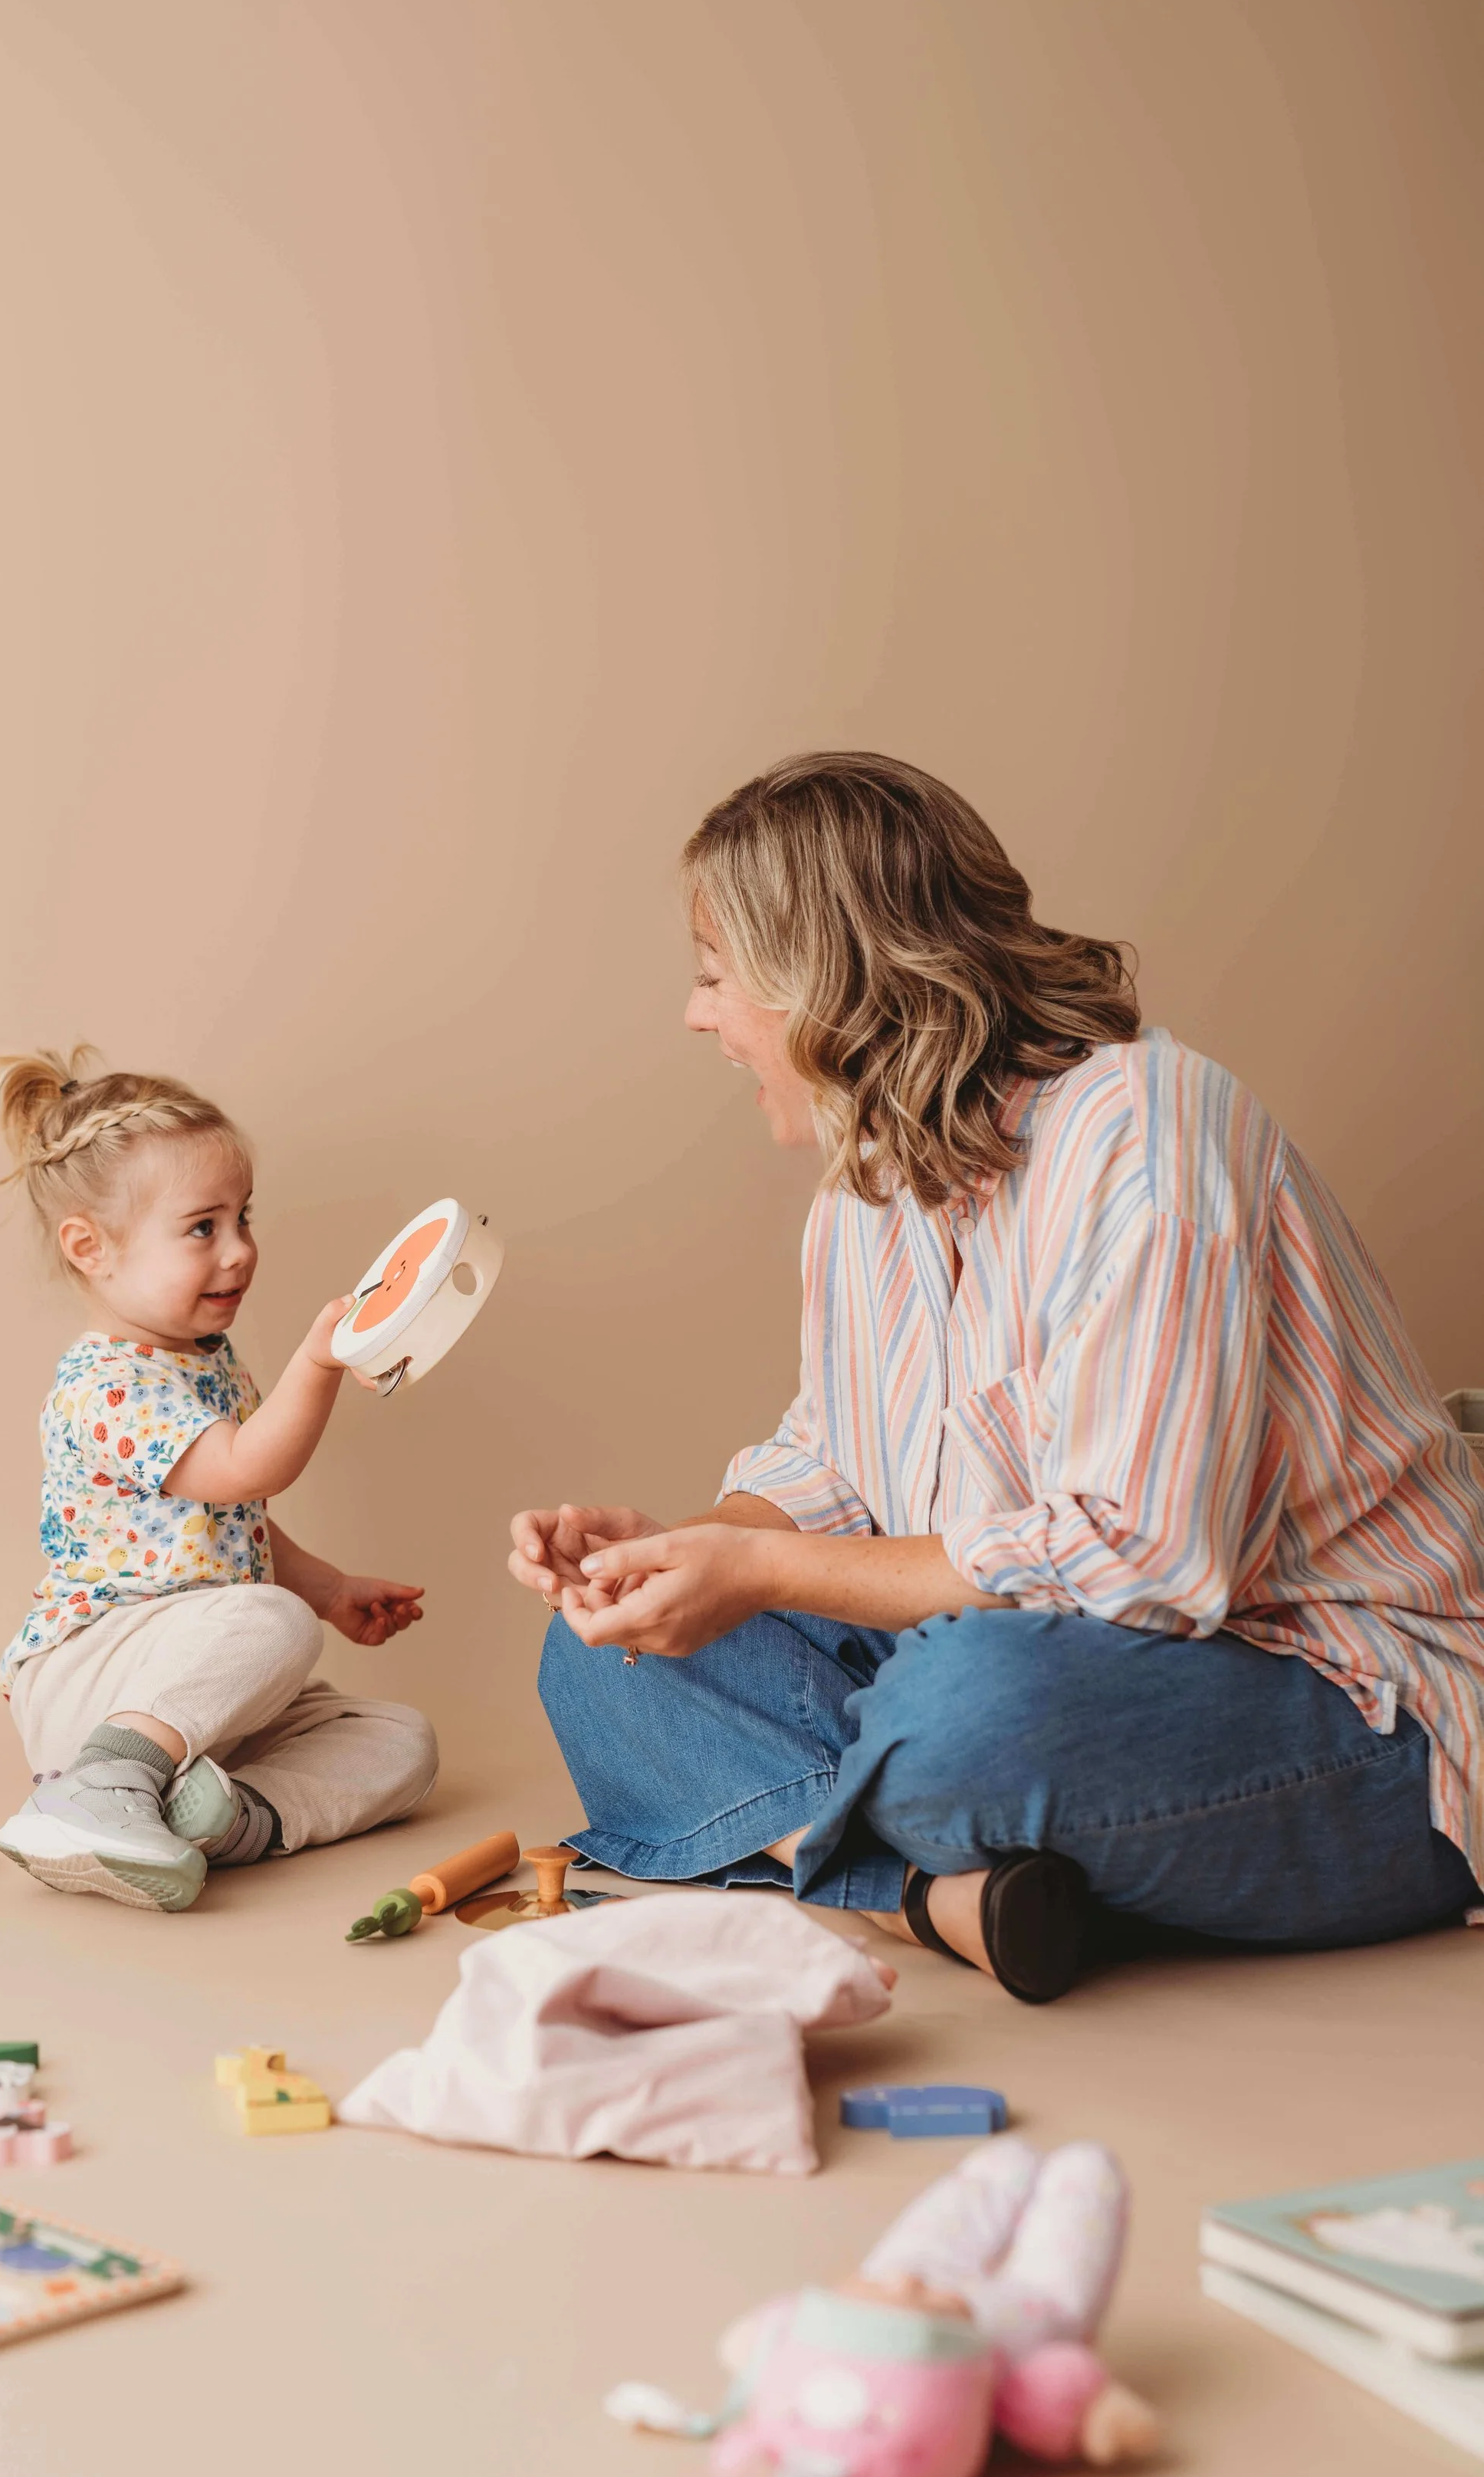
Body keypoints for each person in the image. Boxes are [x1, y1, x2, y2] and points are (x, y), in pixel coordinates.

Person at [511, 754, 1484, 2001]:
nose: (700, 1017)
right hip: (1057, 1668)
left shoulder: (1149, 1139)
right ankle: (939, 1901)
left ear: (827, 976)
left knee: (964, 1706)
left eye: (716, 976)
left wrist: (759, 1573)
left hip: (1346, 1706)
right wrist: (679, 1555)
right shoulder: (868, 1188)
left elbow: (1143, 1564)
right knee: (601, 1656)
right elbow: (831, 1469)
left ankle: (856, 1863)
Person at [0, 1050, 435, 1911]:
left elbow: (231, 1527)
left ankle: (221, 1817)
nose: (239, 1251)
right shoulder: (108, 1385)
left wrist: (332, 1587)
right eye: (202, 1228)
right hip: (96, 1682)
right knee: (272, 1619)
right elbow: (243, 1471)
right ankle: (97, 1785)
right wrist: (319, 1364)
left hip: (195, 1696)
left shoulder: (204, 1365)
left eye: (243, 1219)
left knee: (400, 1740)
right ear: (90, 1248)